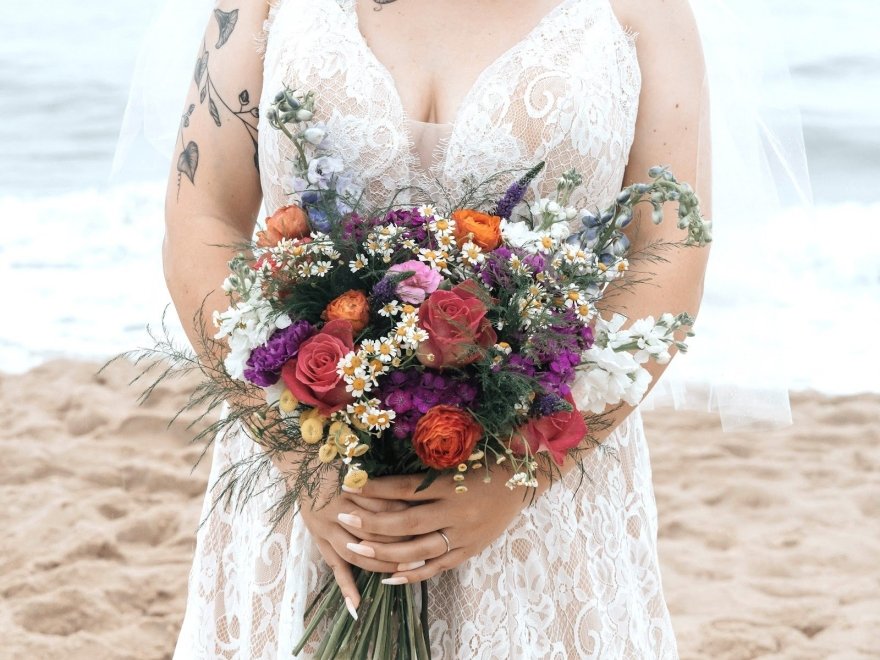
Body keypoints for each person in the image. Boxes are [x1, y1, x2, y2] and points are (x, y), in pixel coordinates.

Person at [165, 0, 710, 656]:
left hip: (537, 473)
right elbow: (202, 215)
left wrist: (522, 477)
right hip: (306, 470)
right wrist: (295, 450)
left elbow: (671, 250)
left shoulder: (645, 11)